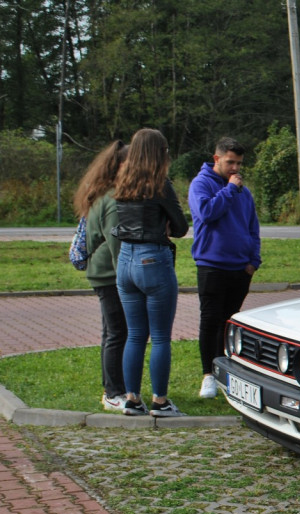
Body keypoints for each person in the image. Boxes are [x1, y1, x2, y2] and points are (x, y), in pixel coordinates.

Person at [112, 128, 190, 417]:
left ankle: (132, 398)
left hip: (125, 260)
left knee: (134, 335)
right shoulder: (160, 184)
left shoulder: (122, 183)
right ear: (160, 153)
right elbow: (181, 227)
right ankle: (160, 401)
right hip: (153, 260)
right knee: (159, 337)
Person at [188, 137, 261, 399]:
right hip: (211, 264)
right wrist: (229, 190)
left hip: (240, 267)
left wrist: (253, 261)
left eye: (239, 163)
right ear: (216, 159)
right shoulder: (201, 184)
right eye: (230, 162)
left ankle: (226, 371)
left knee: (230, 322)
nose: (235, 168)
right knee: (210, 320)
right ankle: (208, 374)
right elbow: (206, 213)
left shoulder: (244, 191)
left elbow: (253, 227)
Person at [73, 140, 129, 412]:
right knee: (118, 334)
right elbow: (116, 244)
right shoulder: (113, 199)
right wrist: (127, 280)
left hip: (103, 273)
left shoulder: (102, 193)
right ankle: (113, 392)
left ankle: (112, 387)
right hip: (110, 275)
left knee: (112, 333)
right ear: (120, 166)